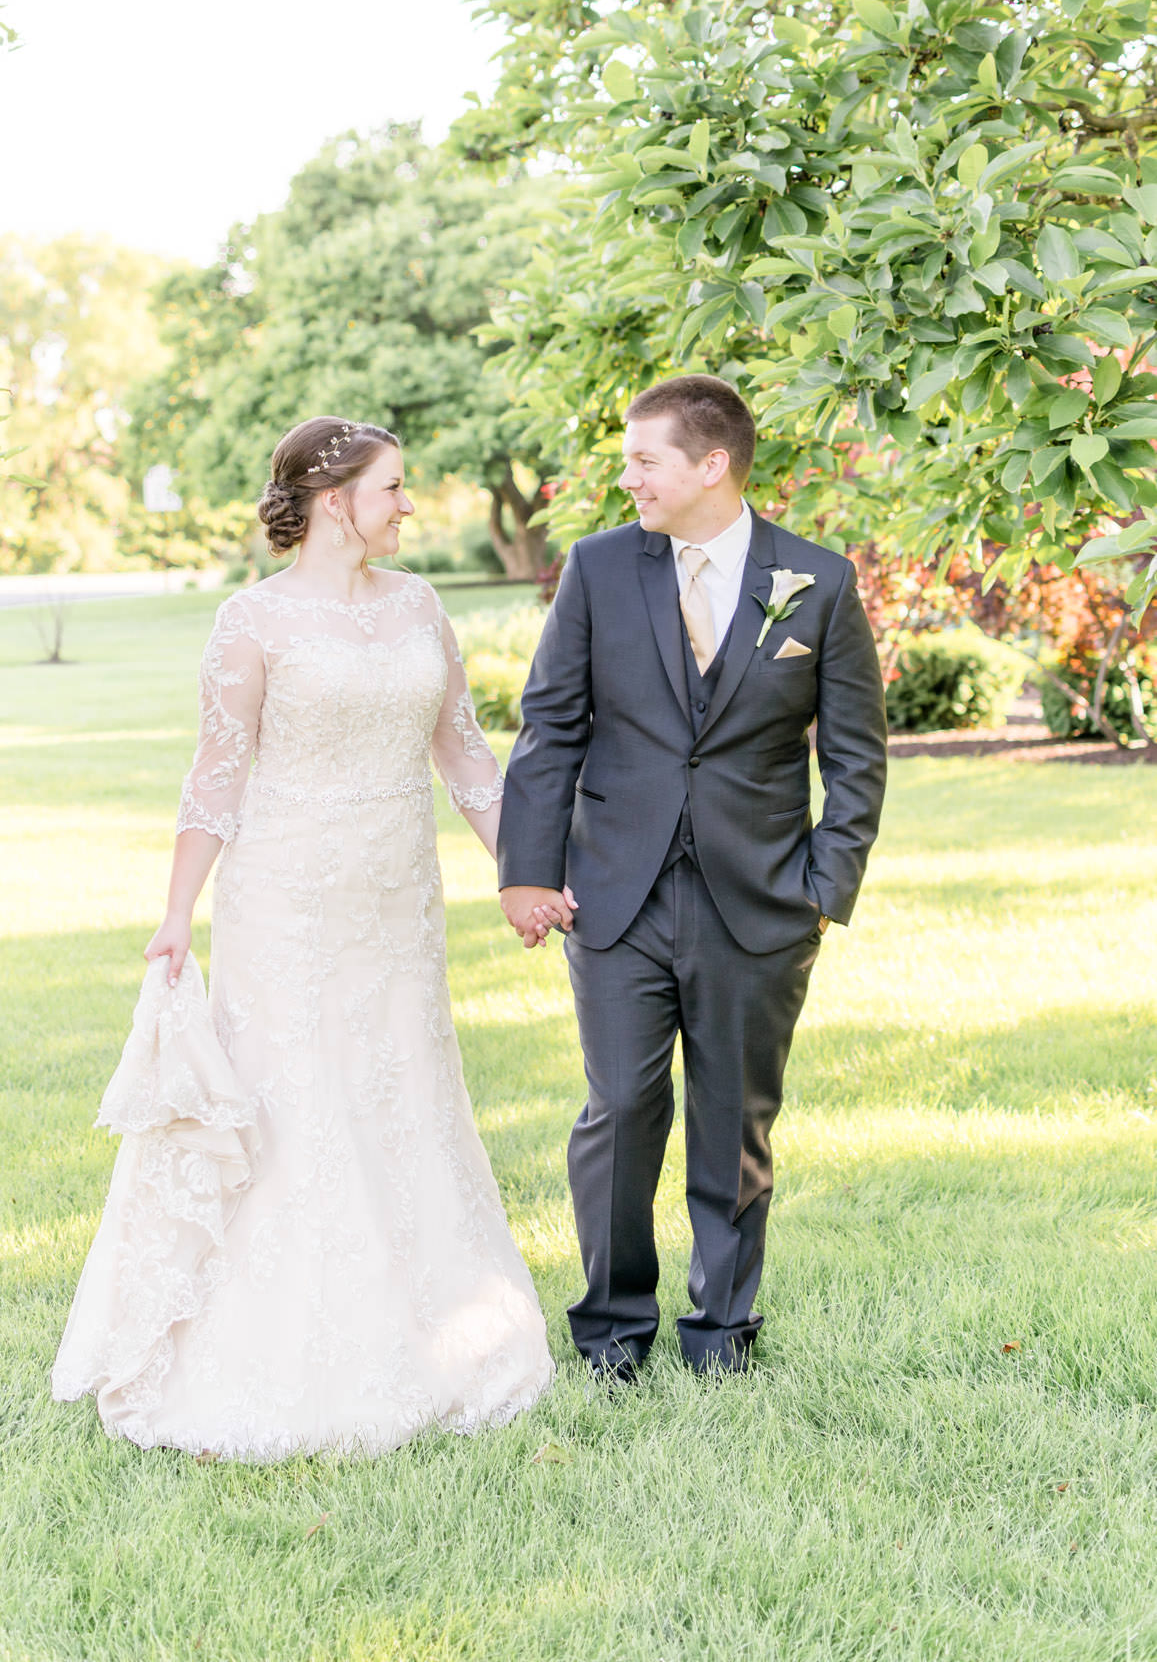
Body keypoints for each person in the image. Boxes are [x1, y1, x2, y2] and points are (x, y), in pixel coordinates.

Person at [53, 417, 553, 1460]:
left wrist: (523, 871)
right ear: (336, 501)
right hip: (284, 902)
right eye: (393, 488)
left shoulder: (420, 606)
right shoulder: (252, 622)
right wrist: (176, 910)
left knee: (403, 1084)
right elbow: (217, 773)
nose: (408, 506)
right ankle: (277, 1345)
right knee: (298, 1102)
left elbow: (465, 757)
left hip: (396, 903)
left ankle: (436, 1324)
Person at [498, 375, 886, 1380]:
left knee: (737, 1118)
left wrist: (821, 887)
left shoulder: (818, 582)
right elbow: (550, 730)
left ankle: (722, 1336)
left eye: (644, 460)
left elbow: (856, 757)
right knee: (620, 1109)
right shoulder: (596, 568)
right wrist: (527, 872)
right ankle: (613, 1329)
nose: (627, 477)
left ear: (711, 465)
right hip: (615, 894)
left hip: (760, 903)